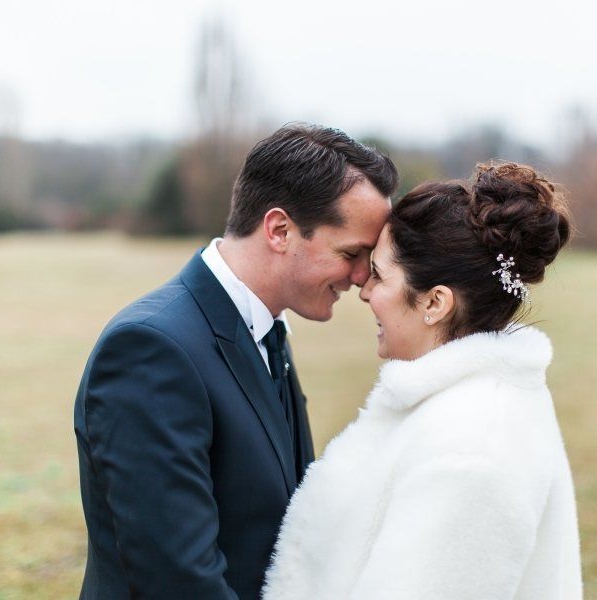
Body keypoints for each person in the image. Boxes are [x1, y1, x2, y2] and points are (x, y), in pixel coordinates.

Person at [73, 124, 398, 599]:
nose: (362, 276)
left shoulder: (266, 331)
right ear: (280, 230)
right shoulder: (151, 350)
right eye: (352, 253)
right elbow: (177, 579)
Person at [263, 162, 582, 599]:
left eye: (379, 273)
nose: (364, 289)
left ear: (434, 302)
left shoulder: (470, 451)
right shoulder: (466, 407)